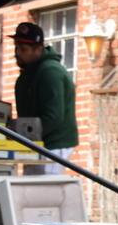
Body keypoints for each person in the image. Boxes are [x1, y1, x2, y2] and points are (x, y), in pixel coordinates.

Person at [10, 21, 77, 173]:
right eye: (17, 47)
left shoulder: (50, 72)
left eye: (23, 49)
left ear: (38, 49)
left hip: (53, 144)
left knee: (43, 189)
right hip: (37, 142)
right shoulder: (30, 73)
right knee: (33, 188)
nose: (17, 52)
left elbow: (53, 117)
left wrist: (22, 133)